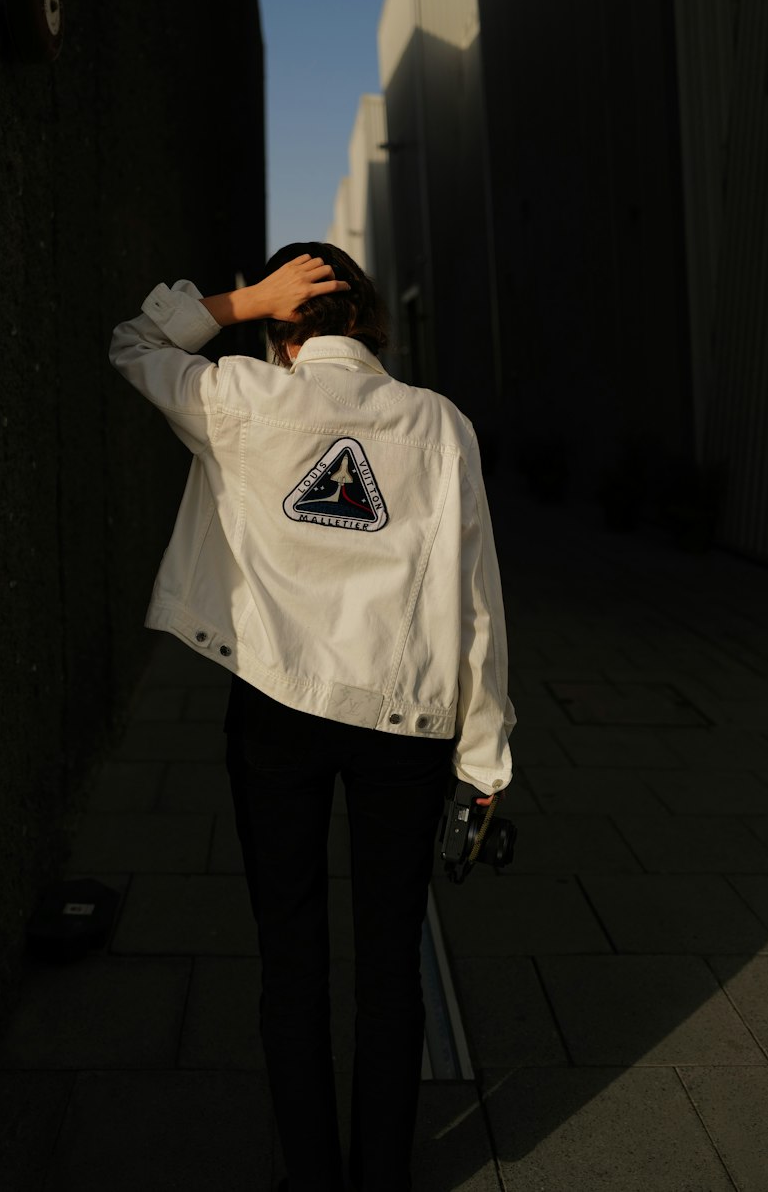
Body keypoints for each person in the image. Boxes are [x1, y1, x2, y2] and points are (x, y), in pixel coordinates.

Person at [109, 244, 515, 1192]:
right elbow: (480, 604)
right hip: (405, 725)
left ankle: (312, 1177)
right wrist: (485, 763)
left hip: (275, 718)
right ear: (369, 321)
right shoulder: (440, 426)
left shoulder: (242, 398)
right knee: (390, 961)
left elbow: (133, 342)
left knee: (289, 952)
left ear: (279, 327)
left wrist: (242, 299)